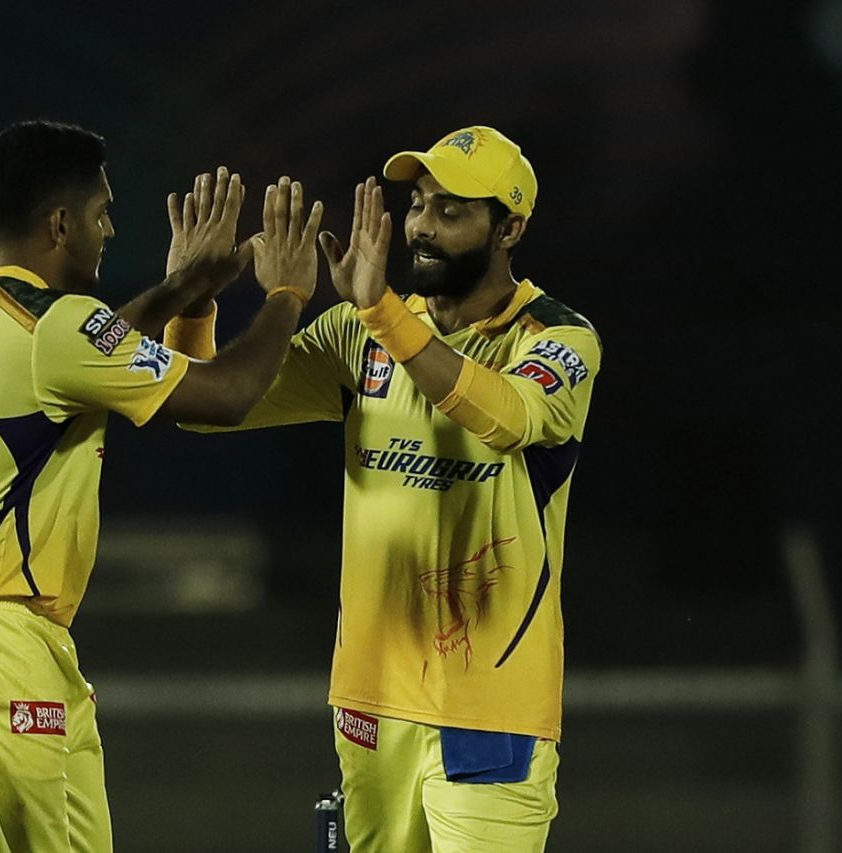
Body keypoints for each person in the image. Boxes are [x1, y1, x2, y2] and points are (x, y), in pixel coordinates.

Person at [0, 118, 323, 852]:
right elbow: (227, 394)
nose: (110, 229)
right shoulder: (55, 327)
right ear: (60, 223)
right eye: (100, 212)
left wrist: (185, 289)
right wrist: (285, 294)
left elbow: (81, 353)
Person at [167, 126, 601, 851]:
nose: (423, 227)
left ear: (511, 228)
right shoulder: (360, 333)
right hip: (369, 702)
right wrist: (192, 301)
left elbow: (506, 417)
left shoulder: (556, 337)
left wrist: (384, 315)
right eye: (419, 204)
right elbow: (204, 407)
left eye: (452, 212)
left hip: (489, 710)